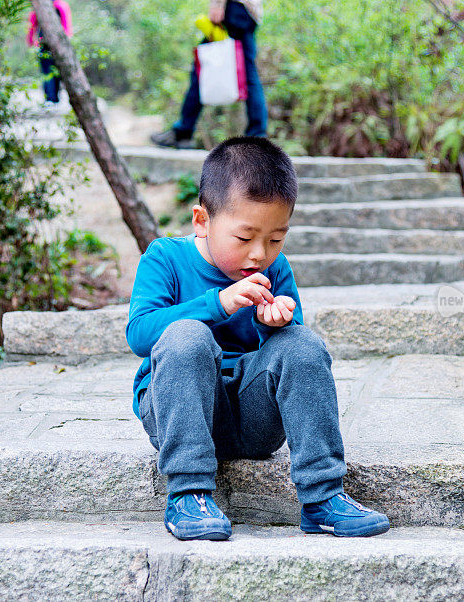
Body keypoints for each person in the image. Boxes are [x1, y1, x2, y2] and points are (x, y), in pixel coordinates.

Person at [126, 137, 390, 541]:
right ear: (202, 220)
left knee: (303, 344)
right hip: (177, 413)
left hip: (252, 423)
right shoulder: (165, 258)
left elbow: (295, 354)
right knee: (186, 336)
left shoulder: (275, 267)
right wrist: (218, 303)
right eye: (244, 238)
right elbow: (141, 334)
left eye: (275, 239)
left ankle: (322, 496)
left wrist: (275, 323)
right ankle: (188, 493)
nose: (259, 254)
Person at [150, 0, 268, 149]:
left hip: (235, 8)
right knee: (247, 74)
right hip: (249, 12)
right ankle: (257, 135)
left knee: (205, 68)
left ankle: (183, 132)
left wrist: (218, 4)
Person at [26, 0, 73, 105]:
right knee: (52, 71)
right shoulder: (59, 5)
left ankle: (51, 99)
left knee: (48, 71)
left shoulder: (55, 6)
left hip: (49, 45)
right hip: (53, 44)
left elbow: (32, 25)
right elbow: (66, 27)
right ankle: (53, 99)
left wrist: (30, 41)